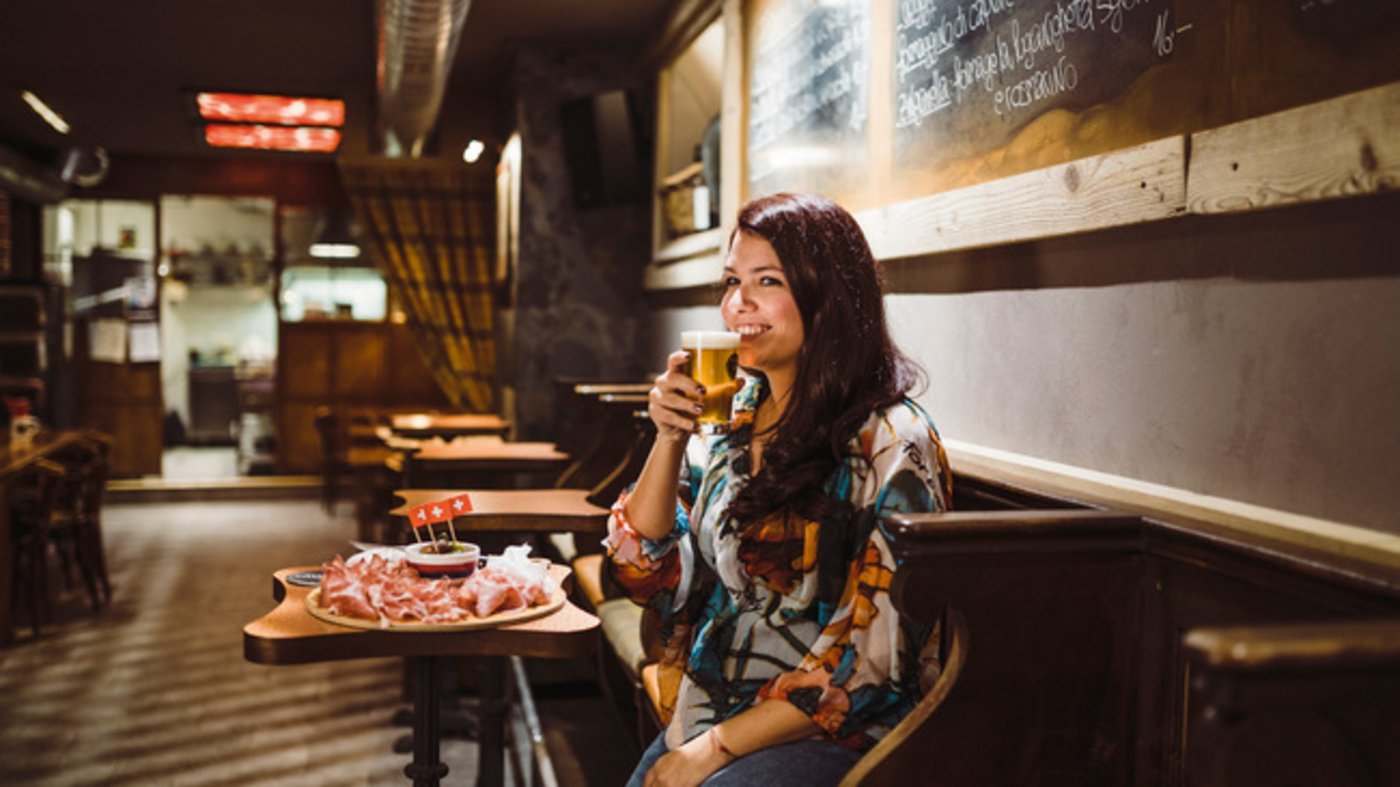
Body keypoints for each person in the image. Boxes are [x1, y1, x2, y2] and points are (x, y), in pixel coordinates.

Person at [605, 192, 954, 787]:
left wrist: (715, 748)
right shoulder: (733, 419)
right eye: (732, 281)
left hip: (843, 732)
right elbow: (642, 569)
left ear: (828, 298)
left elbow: (871, 662)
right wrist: (666, 438)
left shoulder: (892, 440)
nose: (737, 304)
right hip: (717, 703)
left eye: (766, 281)